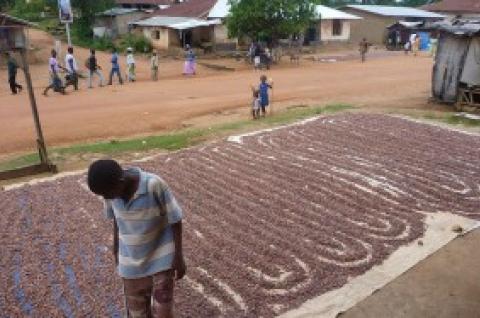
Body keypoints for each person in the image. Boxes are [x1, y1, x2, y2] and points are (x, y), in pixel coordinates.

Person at [87, 159, 186, 318]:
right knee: (137, 313)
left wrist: (178, 257)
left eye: (107, 193)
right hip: (130, 263)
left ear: (120, 182)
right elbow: (116, 221)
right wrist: (116, 249)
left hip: (162, 258)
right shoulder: (110, 194)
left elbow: (175, 218)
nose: (106, 197)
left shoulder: (154, 185)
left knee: (163, 312)